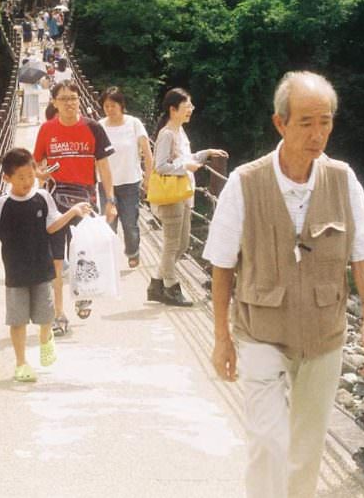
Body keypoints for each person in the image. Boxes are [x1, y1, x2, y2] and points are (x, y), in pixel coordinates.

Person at [204, 71, 364, 498]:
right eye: (305, 122)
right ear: (280, 123)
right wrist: (221, 337)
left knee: (307, 450)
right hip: (260, 330)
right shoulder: (245, 183)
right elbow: (221, 265)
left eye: (325, 122)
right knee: (267, 442)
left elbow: (363, 254)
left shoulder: (344, 180)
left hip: (324, 333)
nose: (317, 134)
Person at [0, 148, 92, 382]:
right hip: (16, 272)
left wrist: (72, 212)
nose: (27, 182)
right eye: (21, 177)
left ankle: (45, 339)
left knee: (46, 318)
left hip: (43, 268)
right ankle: (21, 363)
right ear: (7, 178)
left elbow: (52, 226)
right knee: (18, 320)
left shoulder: (42, 197)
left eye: (31, 176)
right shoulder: (2, 204)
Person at [34, 81, 117, 335]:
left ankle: (84, 293)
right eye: (64, 99)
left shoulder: (93, 128)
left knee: (85, 253)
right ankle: (59, 313)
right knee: (57, 260)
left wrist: (111, 201)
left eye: (74, 98)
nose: (70, 103)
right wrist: (48, 173)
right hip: (56, 201)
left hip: (86, 199)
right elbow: (37, 166)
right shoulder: (47, 130)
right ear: (54, 103)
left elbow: (103, 167)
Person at [149, 88, 228, 306]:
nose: (190, 110)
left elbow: (185, 158)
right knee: (173, 244)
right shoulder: (167, 134)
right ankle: (170, 288)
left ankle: (156, 283)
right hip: (171, 196)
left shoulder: (179, 131)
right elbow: (161, 165)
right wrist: (186, 167)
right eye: (187, 107)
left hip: (183, 193)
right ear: (173, 109)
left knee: (181, 245)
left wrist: (206, 153)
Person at [98, 87, 154, 269]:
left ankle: (132, 252)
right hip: (106, 184)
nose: (109, 109)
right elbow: (94, 156)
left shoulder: (134, 123)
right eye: (106, 106)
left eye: (113, 105)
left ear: (121, 105)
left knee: (130, 223)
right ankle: (109, 258)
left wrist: (148, 177)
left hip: (130, 181)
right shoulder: (100, 126)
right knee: (108, 223)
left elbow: (147, 151)